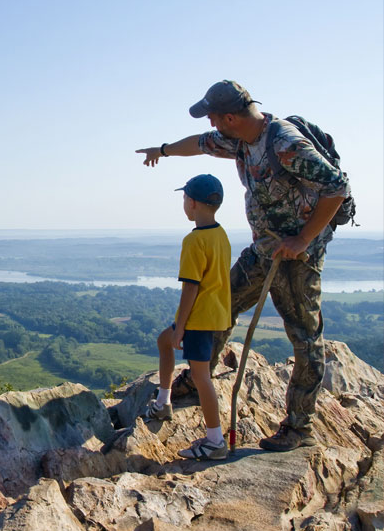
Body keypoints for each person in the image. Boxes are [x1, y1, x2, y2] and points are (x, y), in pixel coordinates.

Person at [137, 80, 350, 452]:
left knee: (304, 336)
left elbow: (336, 187)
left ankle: (300, 427)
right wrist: (163, 150)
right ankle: (199, 375)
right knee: (223, 304)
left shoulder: (284, 143)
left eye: (215, 118)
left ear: (231, 117)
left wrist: (302, 240)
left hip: (298, 258)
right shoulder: (239, 138)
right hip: (264, 249)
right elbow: (200, 144)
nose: (213, 126)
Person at [144, 174, 231, 461]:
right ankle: (163, 402)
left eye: (184, 198)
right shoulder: (220, 235)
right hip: (214, 315)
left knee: (200, 377)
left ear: (192, 203)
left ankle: (215, 440)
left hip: (198, 319)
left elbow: (190, 287)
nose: (184, 203)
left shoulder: (194, 241)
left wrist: (181, 326)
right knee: (163, 341)